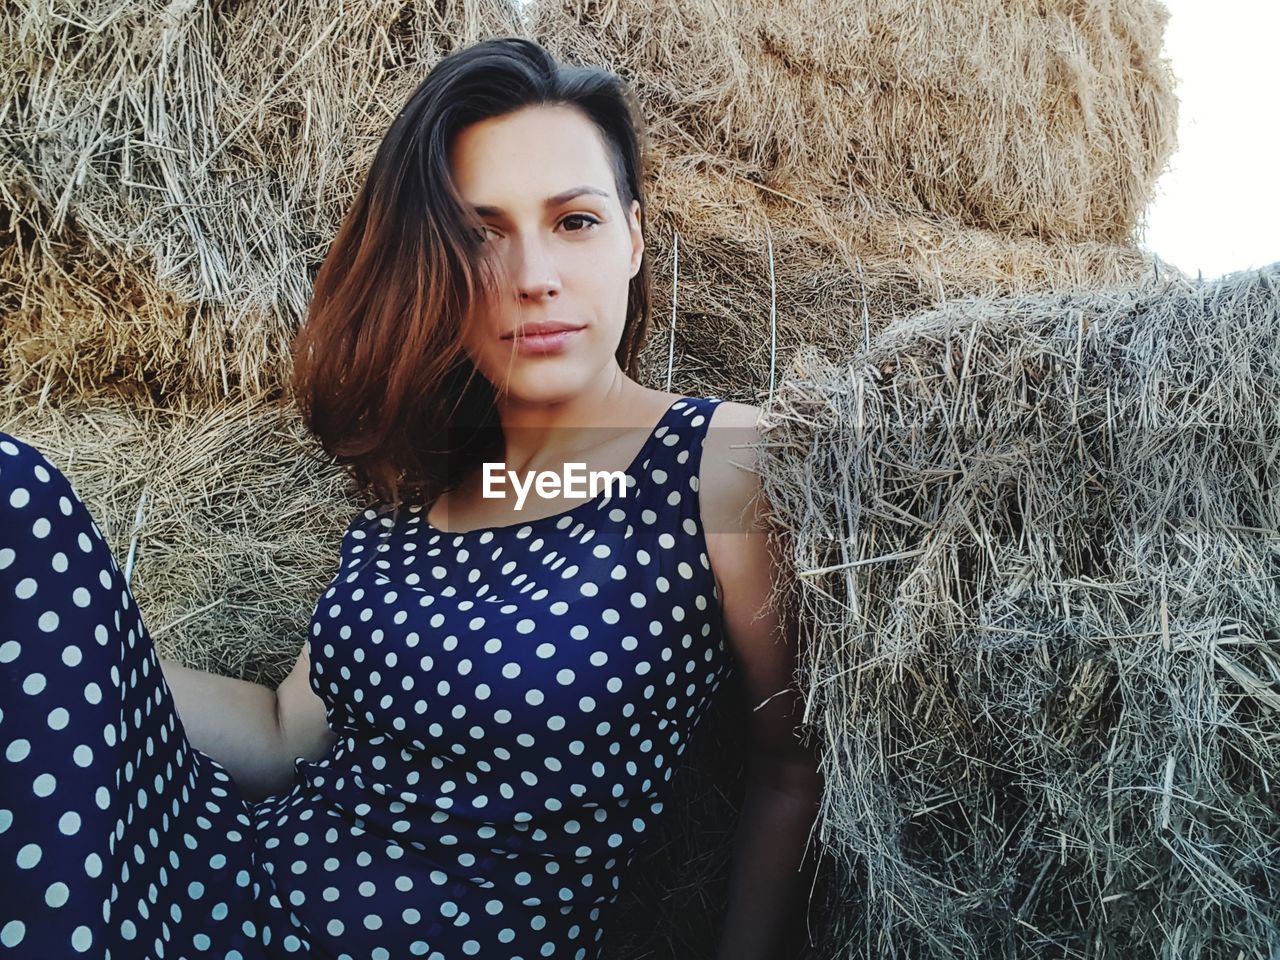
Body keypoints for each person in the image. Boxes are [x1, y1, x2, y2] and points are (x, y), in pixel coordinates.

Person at [0, 36, 823, 960]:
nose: (533, 275)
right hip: (231, 883)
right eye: (480, 233)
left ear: (633, 236)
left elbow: (789, 770)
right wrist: (75, 658)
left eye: (575, 221)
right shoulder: (416, 500)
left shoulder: (719, 460)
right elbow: (282, 733)